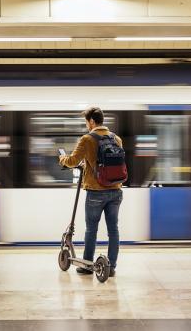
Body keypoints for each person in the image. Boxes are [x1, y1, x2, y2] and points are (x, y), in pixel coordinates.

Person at [58, 107, 123, 277]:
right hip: (116, 191)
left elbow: (72, 161)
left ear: (92, 121)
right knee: (113, 230)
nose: (87, 125)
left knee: (91, 229)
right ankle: (111, 267)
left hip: (96, 192)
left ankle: (87, 265)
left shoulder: (87, 139)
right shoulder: (116, 139)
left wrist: (62, 158)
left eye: (86, 122)